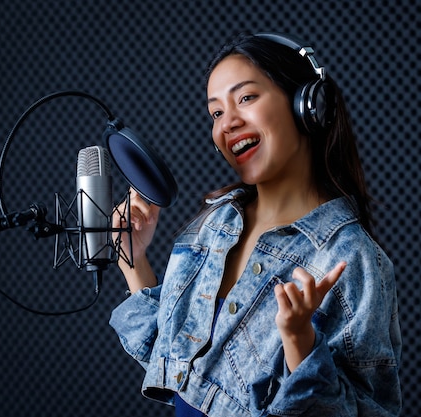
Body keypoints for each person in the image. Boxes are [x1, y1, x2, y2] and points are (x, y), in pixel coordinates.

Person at [109, 31, 402, 417]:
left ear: (307, 105)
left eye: (246, 98)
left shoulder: (354, 260)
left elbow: (369, 411)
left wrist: (301, 344)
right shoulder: (213, 224)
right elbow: (179, 369)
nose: (227, 123)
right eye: (215, 112)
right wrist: (134, 262)